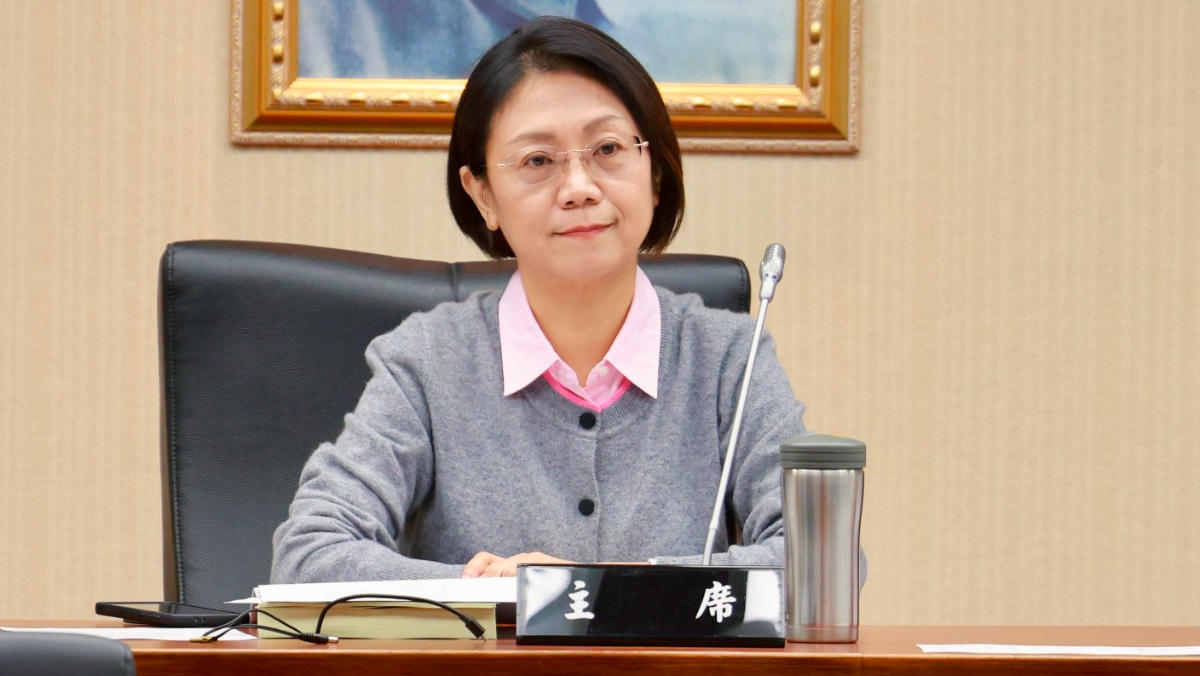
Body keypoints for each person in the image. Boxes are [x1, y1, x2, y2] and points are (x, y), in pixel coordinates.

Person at [271, 16, 807, 582]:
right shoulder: (427, 362)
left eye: (608, 148)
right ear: (483, 195)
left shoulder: (729, 360)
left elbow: (816, 562)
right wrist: (491, 593)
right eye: (537, 161)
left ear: (654, 172)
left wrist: (590, 590)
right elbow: (308, 555)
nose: (579, 188)